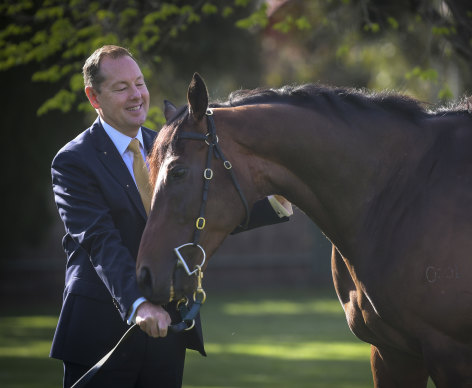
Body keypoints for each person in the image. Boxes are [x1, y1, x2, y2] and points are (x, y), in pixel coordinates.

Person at [50, 45, 292, 388]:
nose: (136, 95)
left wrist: (275, 202)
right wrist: (137, 305)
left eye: (139, 83)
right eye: (121, 88)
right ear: (94, 97)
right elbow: (100, 241)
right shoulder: (73, 161)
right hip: (100, 333)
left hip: (168, 326)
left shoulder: (167, 146)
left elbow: (200, 214)